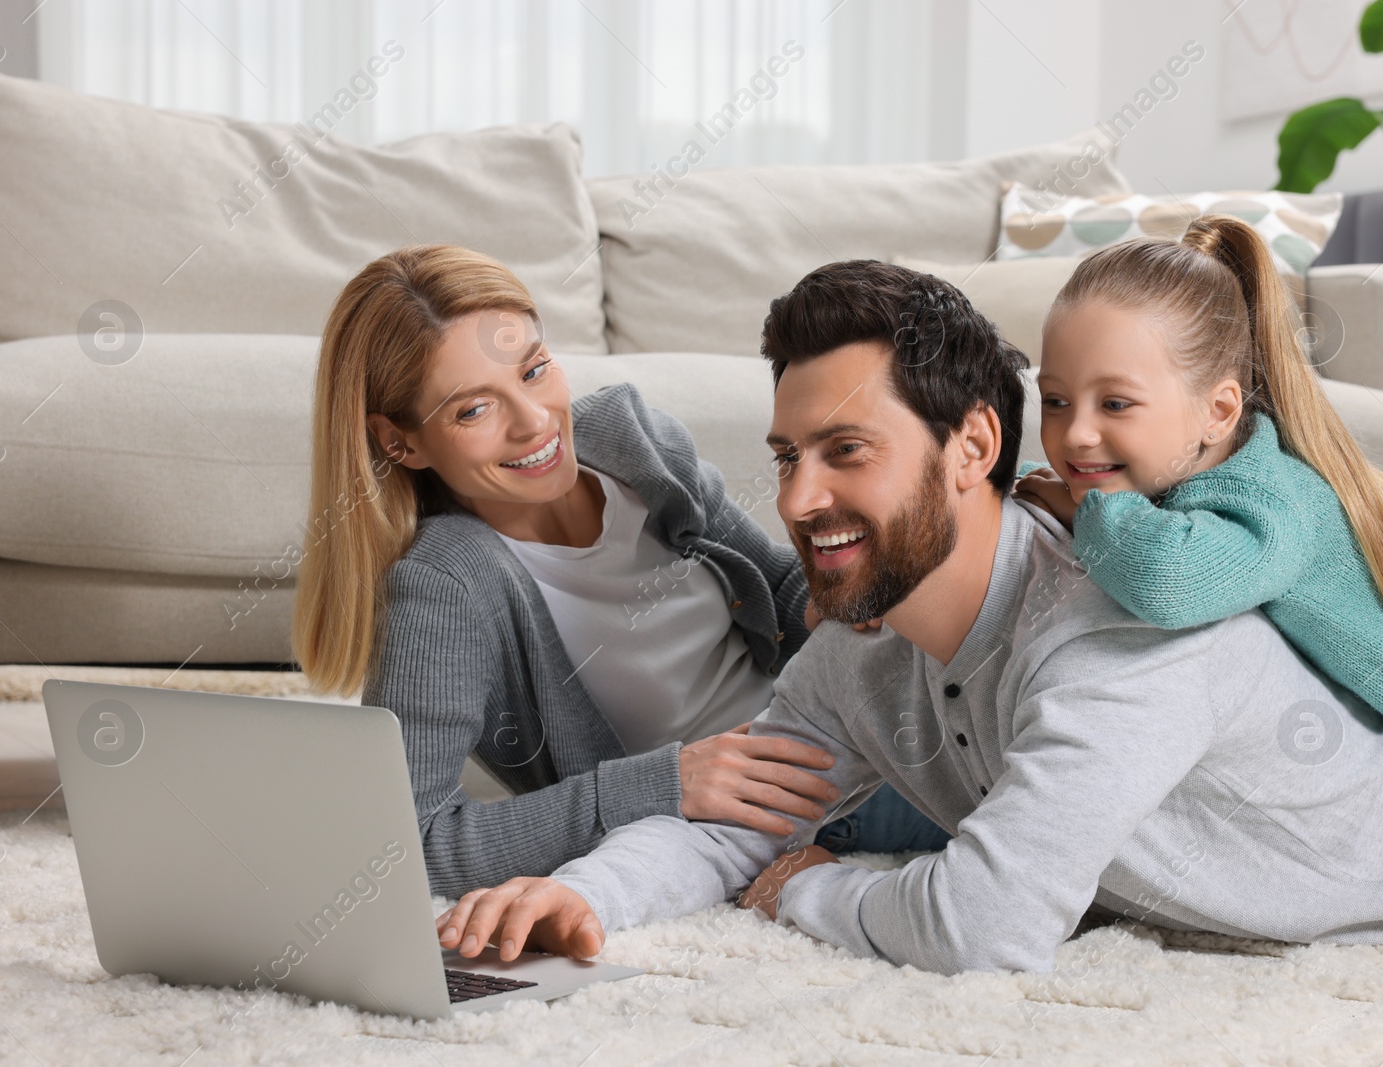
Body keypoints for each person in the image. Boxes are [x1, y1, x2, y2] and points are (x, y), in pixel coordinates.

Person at [434, 258, 1383, 976]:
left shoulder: (1121, 638)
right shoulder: (862, 642)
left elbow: (984, 925)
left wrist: (818, 890)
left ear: (973, 448)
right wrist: (575, 895)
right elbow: (738, 816)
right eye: (786, 457)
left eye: (846, 452)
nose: (799, 501)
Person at [290, 245, 947, 899]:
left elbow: (774, 585)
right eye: (473, 409)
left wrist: (850, 596)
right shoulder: (447, 582)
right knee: (1032, 799)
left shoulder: (629, 442)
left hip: (855, 697)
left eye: (534, 369)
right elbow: (410, 844)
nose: (535, 421)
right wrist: (667, 783)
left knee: (1019, 511)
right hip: (800, 797)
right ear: (399, 440)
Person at [1012, 214, 1383, 751]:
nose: (1078, 434)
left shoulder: (1263, 509)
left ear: (1219, 412)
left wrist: (1077, 509)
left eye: (1115, 404)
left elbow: (1168, 583)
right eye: (1057, 402)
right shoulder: (1197, 464)